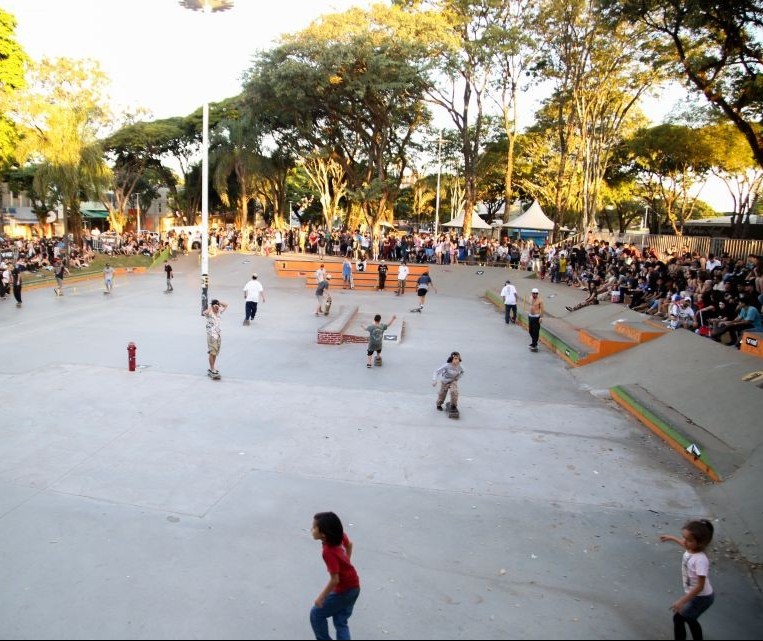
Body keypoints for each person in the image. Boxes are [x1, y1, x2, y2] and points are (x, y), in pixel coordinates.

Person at [659, 519, 715, 641]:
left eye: (689, 540)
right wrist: (671, 538)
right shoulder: (691, 549)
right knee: (687, 618)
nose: (685, 542)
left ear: (700, 543)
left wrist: (681, 601)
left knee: (683, 618)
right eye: (684, 538)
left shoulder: (701, 560)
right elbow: (685, 545)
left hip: (702, 597)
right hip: (696, 595)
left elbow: (700, 586)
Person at [310, 511, 360, 641]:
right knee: (340, 621)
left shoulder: (328, 552)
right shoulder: (339, 535)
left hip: (344, 590)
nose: (312, 529)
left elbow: (335, 579)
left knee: (316, 614)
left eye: (314, 527)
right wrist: (346, 561)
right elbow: (349, 545)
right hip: (354, 586)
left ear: (323, 534)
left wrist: (321, 598)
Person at [202, 299, 228, 377]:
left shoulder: (219, 311)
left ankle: (212, 368)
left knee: (215, 353)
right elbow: (204, 313)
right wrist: (212, 306)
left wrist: (218, 303)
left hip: (218, 335)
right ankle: (212, 368)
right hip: (211, 336)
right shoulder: (210, 313)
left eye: (218, 307)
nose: (217, 308)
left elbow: (226, 305)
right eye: (216, 307)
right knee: (212, 352)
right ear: (213, 307)